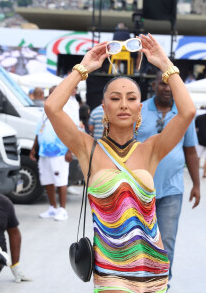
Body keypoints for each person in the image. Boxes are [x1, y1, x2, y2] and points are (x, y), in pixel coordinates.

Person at [44, 34, 196, 292]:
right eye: (115, 98)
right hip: (109, 271)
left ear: (140, 107)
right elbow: (52, 107)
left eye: (131, 98)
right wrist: (83, 67)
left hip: (153, 268)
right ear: (104, 107)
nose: (123, 104)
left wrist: (165, 64)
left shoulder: (152, 149)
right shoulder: (86, 149)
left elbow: (187, 112)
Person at [136, 69, 200, 284]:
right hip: (139, 190)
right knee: (140, 241)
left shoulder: (185, 114)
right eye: (162, 83)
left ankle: (162, 283)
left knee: (167, 241)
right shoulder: (139, 110)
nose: (166, 88)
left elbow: (190, 150)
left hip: (172, 190)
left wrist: (196, 185)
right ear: (154, 85)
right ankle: (139, 281)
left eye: (170, 84)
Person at [29, 85, 79, 221]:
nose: (51, 96)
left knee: (60, 180)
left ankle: (63, 210)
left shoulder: (66, 110)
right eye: (50, 94)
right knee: (47, 180)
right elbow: (39, 129)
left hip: (60, 152)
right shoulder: (46, 110)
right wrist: (34, 148)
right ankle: (53, 207)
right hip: (44, 152)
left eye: (54, 93)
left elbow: (73, 132)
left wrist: (70, 150)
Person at [195, 112, 206, 177]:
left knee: (197, 157)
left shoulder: (199, 117)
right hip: (200, 140)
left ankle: (195, 173)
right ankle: (205, 173)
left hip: (199, 140)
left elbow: (195, 129)